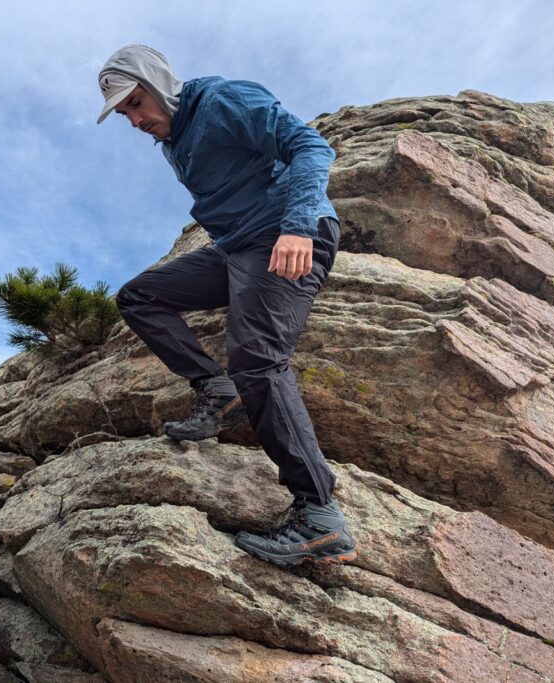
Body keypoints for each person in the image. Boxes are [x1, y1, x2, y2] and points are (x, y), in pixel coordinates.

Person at [98, 44, 356, 567]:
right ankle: (217, 392)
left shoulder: (222, 100)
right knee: (140, 295)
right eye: (123, 112)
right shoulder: (171, 140)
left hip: (285, 234)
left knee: (258, 359)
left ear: (158, 82)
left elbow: (310, 146)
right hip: (238, 247)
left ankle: (321, 517)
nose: (132, 119)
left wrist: (298, 226)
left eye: (135, 102)